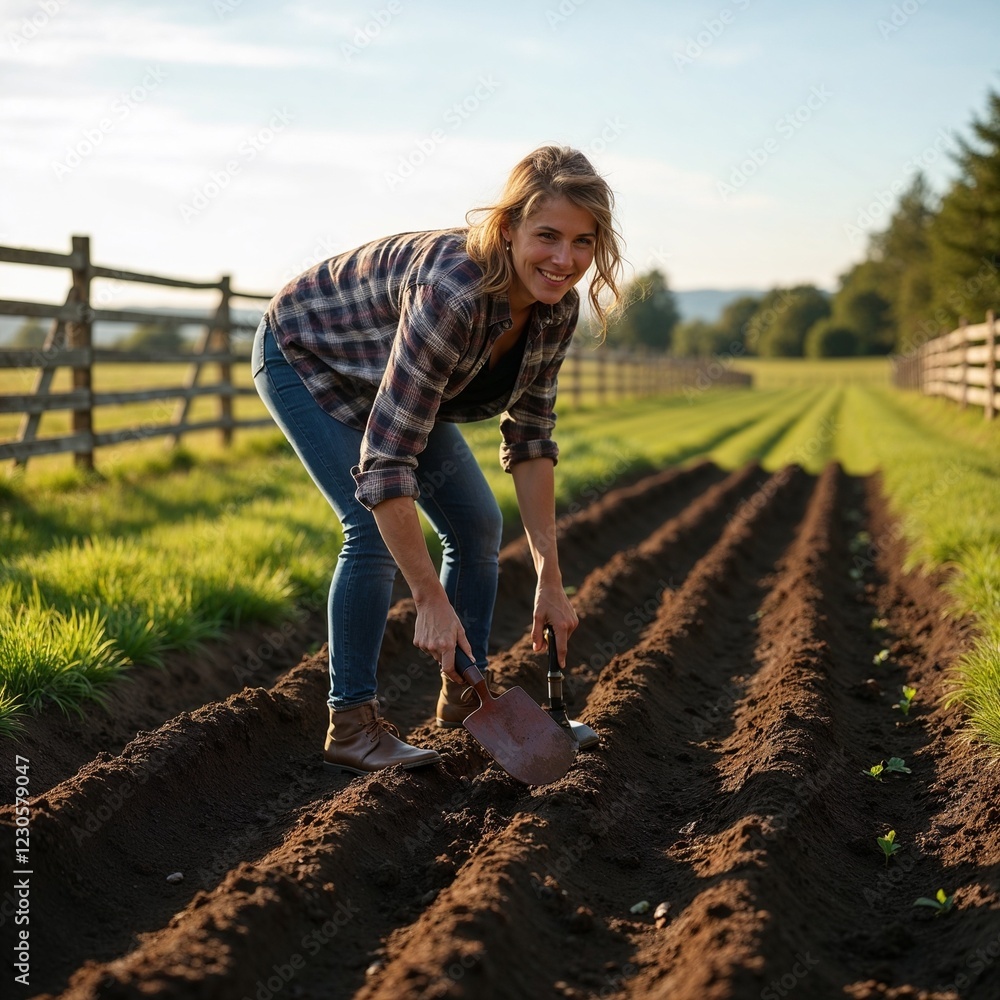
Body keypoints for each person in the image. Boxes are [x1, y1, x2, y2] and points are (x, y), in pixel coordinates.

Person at [252, 145, 624, 775]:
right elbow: (387, 463)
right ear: (507, 229)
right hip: (308, 354)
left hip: (390, 376)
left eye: (583, 242)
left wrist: (550, 580)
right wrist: (427, 596)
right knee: (369, 530)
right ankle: (353, 725)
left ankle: (465, 696)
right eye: (548, 236)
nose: (565, 261)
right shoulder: (454, 293)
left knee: (477, 524)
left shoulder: (556, 308)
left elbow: (531, 439)